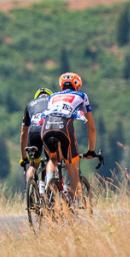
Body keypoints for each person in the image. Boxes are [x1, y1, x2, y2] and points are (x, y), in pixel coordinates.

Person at [40, 72, 96, 203]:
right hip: (64, 128)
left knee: (52, 159)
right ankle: (74, 203)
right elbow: (91, 127)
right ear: (77, 86)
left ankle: (48, 184)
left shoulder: (52, 96)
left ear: (61, 86)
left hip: (46, 128)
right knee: (72, 166)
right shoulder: (81, 95)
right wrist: (91, 150)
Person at [19, 87, 52, 187]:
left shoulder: (30, 104)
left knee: (33, 165)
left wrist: (24, 157)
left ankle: (31, 190)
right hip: (48, 129)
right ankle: (51, 189)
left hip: (33, 131)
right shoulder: (53, 101)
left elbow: (23, 133)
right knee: (53, 160)